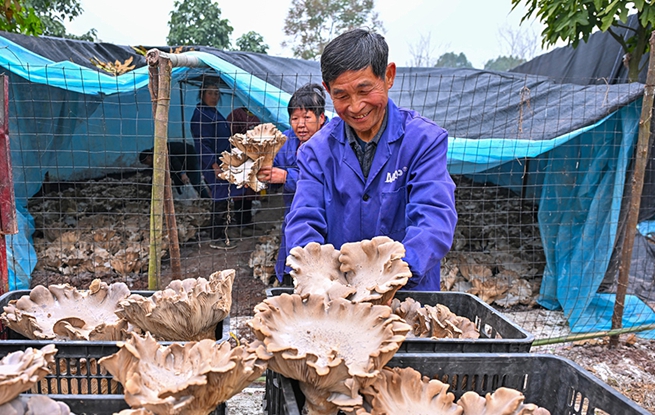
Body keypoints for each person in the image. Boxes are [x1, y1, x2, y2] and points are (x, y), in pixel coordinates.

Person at [284, 29, 458, 291]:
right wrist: (319, 276)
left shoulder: (424, 141)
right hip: (337, 298)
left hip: (406, 292)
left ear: (388, 76)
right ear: (328, 90)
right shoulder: (316, 152)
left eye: (365, 90)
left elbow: (433, 220)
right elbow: (303, 219)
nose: (355, 107)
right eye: (342, 96)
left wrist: (392, 275)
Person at [257, 83, 328, 284]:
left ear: (321, 118)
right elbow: (274, 167)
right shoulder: (286, 139)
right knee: (291, 257)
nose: (300, 124)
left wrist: (287, 177)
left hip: (326, 213)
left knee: (322, 263)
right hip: (294, 211)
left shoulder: (332, 140)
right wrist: (263, 173)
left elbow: (325, 180)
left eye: (307, 117)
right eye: (295, 118)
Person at [190, 79, 243, 250]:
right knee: (220, 198)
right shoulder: (201, 114)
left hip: (223, 161)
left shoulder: (213, 112)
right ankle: (216, 237)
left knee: (225, 197)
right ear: (202, 94)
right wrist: (213, 164)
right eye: (210, 93)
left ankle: (223, 231)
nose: (214, 96)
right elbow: (201, 143)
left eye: (217, 93)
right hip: (213, 164)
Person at [226, 107, 262, 234]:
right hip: (240, 159)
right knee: (239, 193)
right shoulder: (235, 115)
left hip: (252, 159)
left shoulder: (256, 114)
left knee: (249, 193)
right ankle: (240, 224)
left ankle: (247, 221)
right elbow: (230, 138)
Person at [139, 142, 210, 199]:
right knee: (177, 180)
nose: (147, 165)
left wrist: (183, 174)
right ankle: (184, 198)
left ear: (148, 157)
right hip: (179, 162)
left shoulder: (159, 154)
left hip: (189, 156)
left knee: (195, 180)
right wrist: (151, 185)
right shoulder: (155, 158)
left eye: (146, 162)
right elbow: (155, 173)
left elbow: (174, 161)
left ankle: (206, 198)